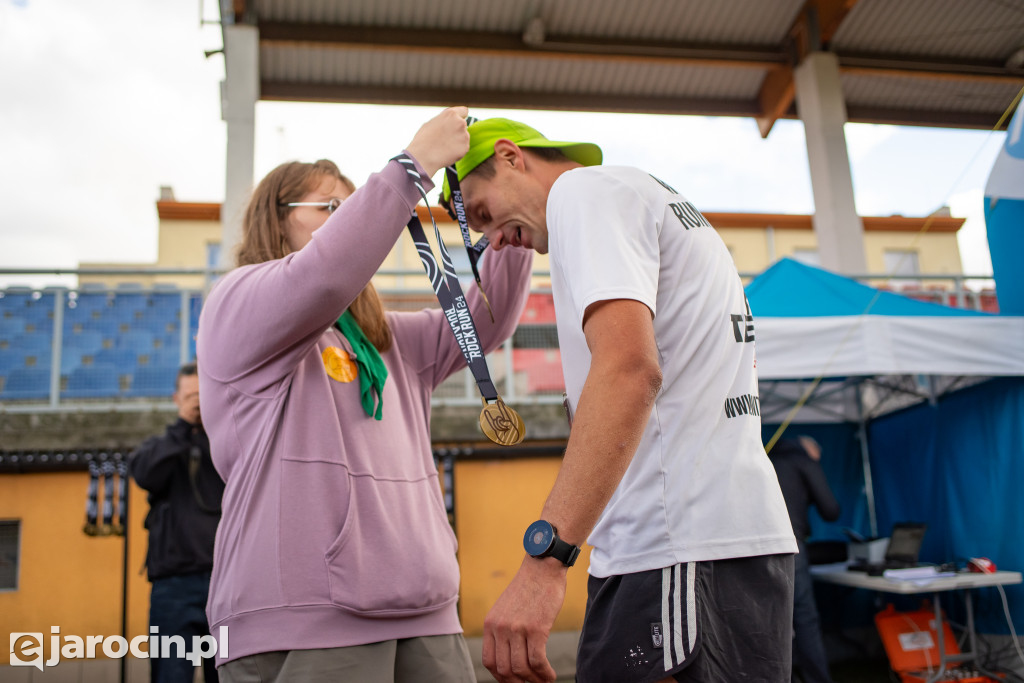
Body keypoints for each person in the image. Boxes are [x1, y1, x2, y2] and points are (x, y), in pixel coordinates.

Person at [445, 118, 799, 683]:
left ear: (512, 157)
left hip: (674, 548)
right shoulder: (642, 195)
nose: (491, 237)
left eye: (482, 213)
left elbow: (629, 371)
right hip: (712, 545)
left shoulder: (584, 193)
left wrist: (544, 562)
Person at [197, 107, 533, 682]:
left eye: (353, 209)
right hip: (301, 615)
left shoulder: (391, 339)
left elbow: (487, 323)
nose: (350, 222)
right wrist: (414, 167)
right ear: (274, 223)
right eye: (330, 208)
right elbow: (322, 275)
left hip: (425, 609)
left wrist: (507, 216)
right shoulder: (237, 304)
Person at [129, 361, 223, 683]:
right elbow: (143, 474)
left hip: (224, 585)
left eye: (202, 394)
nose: (197, 402)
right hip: (174, 588)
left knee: (227, 676)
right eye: (190, 396)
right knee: (171, 675)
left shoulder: (226, 445)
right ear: (175, 399)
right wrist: (184, 426)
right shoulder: (161, 446)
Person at [769, 436, 841, 683]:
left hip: (755, 549)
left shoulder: (764, 457)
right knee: (804, 618)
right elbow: (830, 510)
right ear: (811, 450)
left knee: (767, 617)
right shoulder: (803, 461)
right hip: (790, 546)